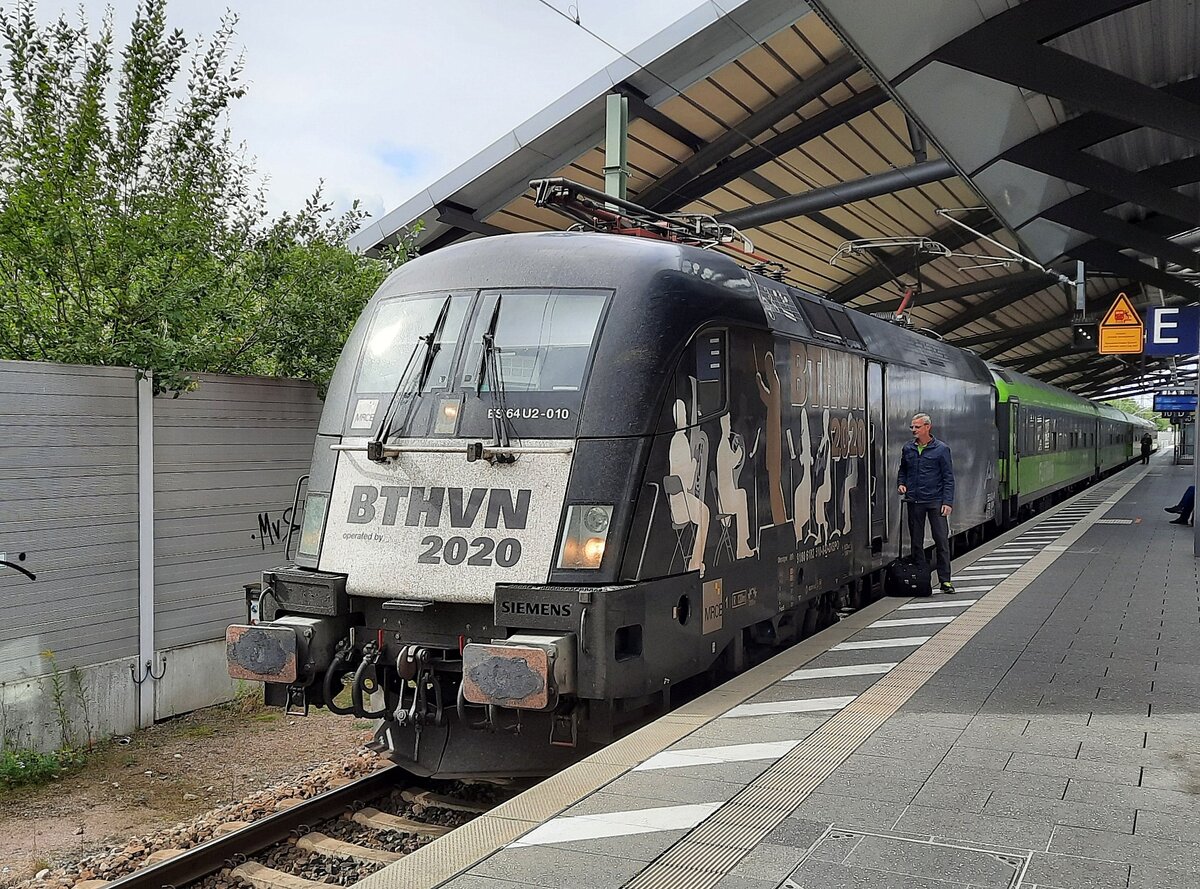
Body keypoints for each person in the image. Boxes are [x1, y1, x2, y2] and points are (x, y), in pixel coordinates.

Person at [897, 413, 956, 594]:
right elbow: (903, 470)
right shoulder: (908, 449)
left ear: (927, 427)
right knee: (916, 542)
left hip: (935, 501)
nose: (914, 430)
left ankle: (945, 580)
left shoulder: (941, 449)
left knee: (941, 541)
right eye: (912, 427)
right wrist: (901, 483)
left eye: (917, 427)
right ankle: (922, 579)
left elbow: (948, 477)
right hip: (915, 501)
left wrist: (947, 502)